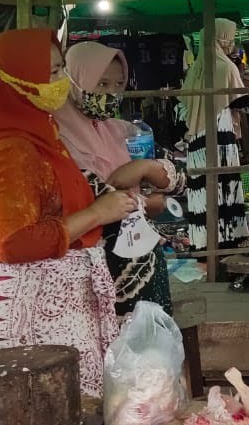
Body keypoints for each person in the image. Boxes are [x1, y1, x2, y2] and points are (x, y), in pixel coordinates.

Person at [0, 29, 135, 397]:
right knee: (50, 406)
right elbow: (17, 242)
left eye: (61, 69)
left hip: (58, 305)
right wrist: (98, 213)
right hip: (38, 314)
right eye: (51, 73)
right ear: (13, 81)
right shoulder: (11, 151)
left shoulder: (36, 134)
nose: (62, 82)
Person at [54, 41, 188, 316]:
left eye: (118, 84)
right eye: (101, 84)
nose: (111, 93)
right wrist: (144, 202)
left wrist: (145, 168)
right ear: (74, 79)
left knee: (149, 345)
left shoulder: (124, 131)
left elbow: (180, 180)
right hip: (91, 267)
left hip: (142, 261)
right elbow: (91, 198)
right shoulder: (54, 135)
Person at [180, 19, 249, 250]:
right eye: (230, 37)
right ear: (222, 38)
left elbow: (183, 103)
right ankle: (228, 239)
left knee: (203, 189)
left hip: (197, 138)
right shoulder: (225, 66)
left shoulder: (195, 69)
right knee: (225, 186)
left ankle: (203, 242)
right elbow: (241, 101)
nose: (231, 42)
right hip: (220, 134)